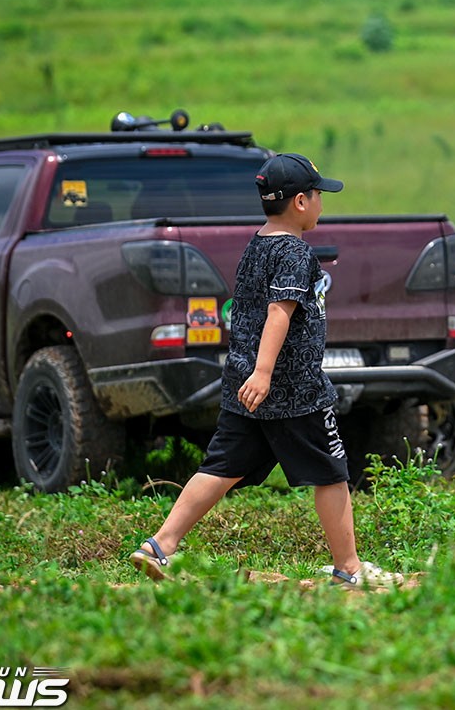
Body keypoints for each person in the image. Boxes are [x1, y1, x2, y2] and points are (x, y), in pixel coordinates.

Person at [129, 153, 400, 590]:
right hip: (292, 388)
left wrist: (253, 375)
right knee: (332, 472)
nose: (320, 203)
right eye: (317, 195)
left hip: (245, 384)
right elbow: (279, 312)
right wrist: (265, 373)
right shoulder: (294, 251)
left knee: (220, 468)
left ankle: (160, 545)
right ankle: (348, 568)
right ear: (299, 202)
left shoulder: (257, 244)